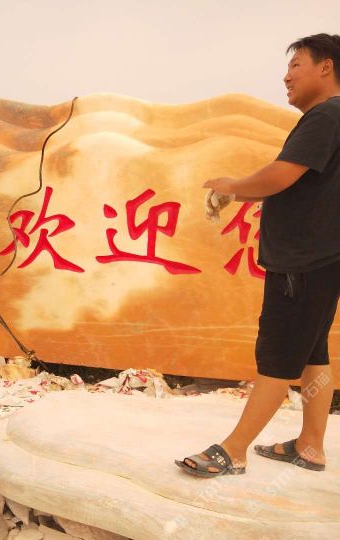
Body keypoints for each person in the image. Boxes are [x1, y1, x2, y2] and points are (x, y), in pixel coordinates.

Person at [177, 33, 340, 478]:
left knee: (278, 355)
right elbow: (297, 183)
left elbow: (280, 175)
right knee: (313, 354)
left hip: (303, 261)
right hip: (321, 259)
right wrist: (241, 193)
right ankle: (310, 446)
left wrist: (231, 186)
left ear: (325, 67)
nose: (286, 77)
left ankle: (233, 451)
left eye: (296, 66)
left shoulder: (326, 115)